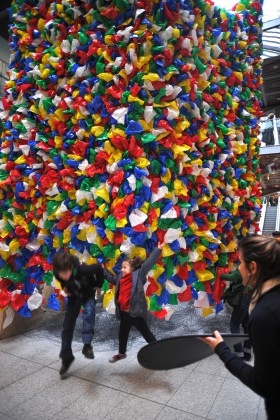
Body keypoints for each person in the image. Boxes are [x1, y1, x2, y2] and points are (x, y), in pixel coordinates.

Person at [201, 235, 280, 420]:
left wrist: (221, 350)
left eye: (240, 263)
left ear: (253, 267)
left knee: (235, 324)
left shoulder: (265, 315)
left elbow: (264, 385)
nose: (239, 269)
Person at [103, 242, 164, 363]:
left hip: (135, 313)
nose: (121, 269)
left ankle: (159, 352)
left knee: (147, 334)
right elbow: (111, 278)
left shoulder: (139, 275)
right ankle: (121, 353)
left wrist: (158, 249)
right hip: (125, 314)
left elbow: (149, 263)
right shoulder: (121, 278)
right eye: (122, 268)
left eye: (124, 267)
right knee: (122, 334)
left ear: (132, 269)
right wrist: (103, 270)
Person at [52, 251, 104, 377]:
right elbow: (62, 279)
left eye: (65, 273)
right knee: (67, 326)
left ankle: (87, 345)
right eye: (60, 273)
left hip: (88, 294)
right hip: (74, 296)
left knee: (89, 312)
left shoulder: (84, 269)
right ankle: (66, 357)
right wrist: (65, 286)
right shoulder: (58, 274)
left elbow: (98, 268)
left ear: (71, 268)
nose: (63, 276)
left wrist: (98, 286)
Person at [221, 267, 252, 360]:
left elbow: (234, 277)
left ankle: (239, 352)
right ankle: (247, 351)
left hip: (243, 297)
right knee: (247, 325)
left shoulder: (246, 263)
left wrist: (220, 275)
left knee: (234, 324)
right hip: (251, 296)